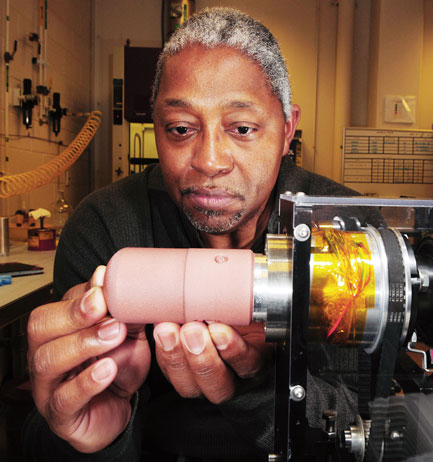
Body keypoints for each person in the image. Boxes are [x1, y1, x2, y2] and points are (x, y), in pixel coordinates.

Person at [22, 7, 376, 461]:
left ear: (287, 129)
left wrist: (260, 384)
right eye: (181, 129)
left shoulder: (343, 230)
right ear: (156, 130)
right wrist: (92, 436)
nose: (209, 161)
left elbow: (367, 426)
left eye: (243, 128)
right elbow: (46, 435)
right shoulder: (106, 226)